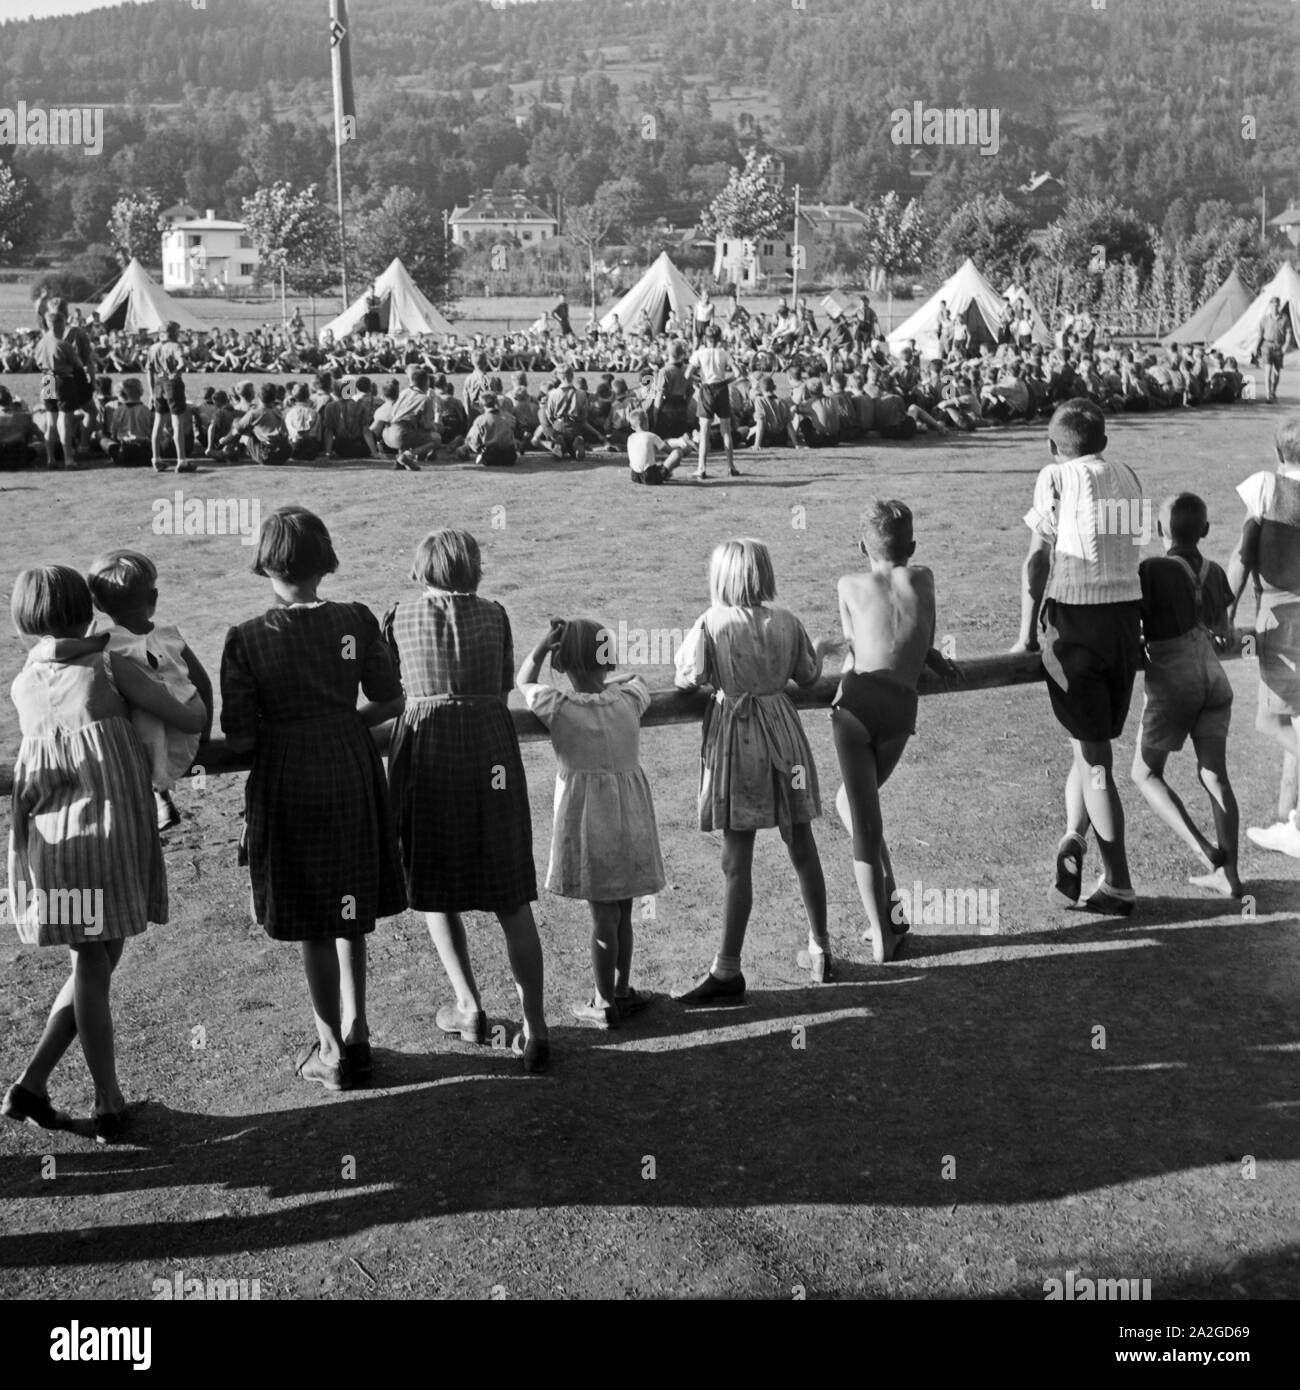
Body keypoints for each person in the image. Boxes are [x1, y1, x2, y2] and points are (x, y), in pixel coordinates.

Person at [4, 566, 204, 1142]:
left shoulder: (24, 683)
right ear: (86, 606)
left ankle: (32, 1085)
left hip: (52, 844)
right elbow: (187, 716)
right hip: (107, 835)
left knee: (96, 961)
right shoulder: (108, 666)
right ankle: (107, 1101)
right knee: (94, 964)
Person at [221, 508, 406, 1092]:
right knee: (350, 905)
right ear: (324, 559)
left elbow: (242, 734)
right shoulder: (354, 619)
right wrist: (342, 723)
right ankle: (357, 1034)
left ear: (268, 563)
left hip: (287, 773)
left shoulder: (248, 637)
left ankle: (329, 1050)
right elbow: (389, 699)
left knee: (312, 920)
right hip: (349, 763)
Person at [384, 528, 550, 1073]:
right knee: (509, 894)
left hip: (427, 747)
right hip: (489, 744)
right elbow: (502, 685)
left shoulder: (397, 617)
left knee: (433, 885)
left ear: (422, 570)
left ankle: (469, 1005)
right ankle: (536, 1026)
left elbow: (391, 690)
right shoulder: (496, 614)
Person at [673, 538, 838, 1000]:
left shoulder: (712, 623)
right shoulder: (786, 622)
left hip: (737, 739)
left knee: (736, 858)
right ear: (763, 574)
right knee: (801, 841)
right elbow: (807, 676)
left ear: (721, 577)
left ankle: (728, 968)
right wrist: (821, 648)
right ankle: (821, 947)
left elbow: (686, 675)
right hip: (784, 733)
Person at [1013, 399, 1144, 915]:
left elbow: (1036, 559)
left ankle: (1119, 884)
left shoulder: (1055, 477)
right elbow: (1135, 544)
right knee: (1087, 749)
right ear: (1104, 442)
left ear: (1052, 447)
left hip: (1075, 625)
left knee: (1096, 766)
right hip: (1124, 624)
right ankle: (1074, 835)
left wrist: (1025, 635)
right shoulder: (1129, 475)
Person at [517, 618, 666, 1027]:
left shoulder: (558, 707)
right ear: (609, 658)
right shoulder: (628, 700)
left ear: (563, 664)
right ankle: (621, 989)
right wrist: (608, 674)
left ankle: (603, 1002)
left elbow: (522, 680)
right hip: (631, 818)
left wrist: (544, 646)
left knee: (603, 917)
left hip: (591, 823)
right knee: (623, 910)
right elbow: (637, 677)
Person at [831, 501, 960, 964]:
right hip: (901, 709)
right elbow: (923, 639)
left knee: (864, 826)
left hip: (856, 705)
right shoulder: (923, 578)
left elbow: (851, 643)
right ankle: (894, 910)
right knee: (851, 805)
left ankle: (882, 932)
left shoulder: (849, 584)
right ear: (912, 546)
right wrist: (935, 660)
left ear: (862, 546)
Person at [1129, 494, 1240, 896]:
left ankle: (1204, 849)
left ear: (1159, 531)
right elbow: (1224, 630)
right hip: (1214, 677)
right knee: (1214, 775)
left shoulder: (1152, 570)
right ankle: (1231, 876)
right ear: (1206, 531)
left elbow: (1134, 623)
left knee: (1144, 772)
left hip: (1174, 679)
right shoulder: (1215, 573)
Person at [88, 550, 212, 833]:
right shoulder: (170, 635)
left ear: (96, 603)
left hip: (144, 741)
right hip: (185, 732)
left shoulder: (104, 643)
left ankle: (159, 795)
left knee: (136, 708)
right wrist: (202, 738)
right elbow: (202, 682)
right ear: (153, 599)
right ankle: (160, 794)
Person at [1229, 416, 1300, 857]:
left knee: (1270, 720)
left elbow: (1243, 555)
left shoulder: (1265, 486)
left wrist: (1222, 614)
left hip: (1282, 615)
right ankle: (1288, 821)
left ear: (1279, 453)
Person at [32, 298, 93, 470]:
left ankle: (50, 459)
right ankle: (68, 459)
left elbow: (36, 363)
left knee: (51, 420)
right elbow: (78, 364)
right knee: (65, 420)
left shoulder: (41, 343)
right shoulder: (63, 344)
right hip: (63, 380)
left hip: (47, 379)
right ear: (61, 323)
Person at [686, 323, 741, 480]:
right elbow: (738, 373)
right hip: (721, 388)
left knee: (704, 432)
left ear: (705, 338)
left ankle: (701, 468)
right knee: (726, 430)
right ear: (719, 338)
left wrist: (699, 379)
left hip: (707, 389)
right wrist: (726, 381)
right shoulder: (723, 353)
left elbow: (687, 374)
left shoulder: (700, 353)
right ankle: (731, 466)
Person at [146, 320, 195, 474]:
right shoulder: (175, 346)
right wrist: (176, 371)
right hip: (172, 384)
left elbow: (149, 371)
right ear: (173, 332)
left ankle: (156, 458)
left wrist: (151, 393)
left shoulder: (153, 348)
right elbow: (181, 362)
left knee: (158, 422)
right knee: (177, 423)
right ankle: (182, 460)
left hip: (158, 385)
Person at [220, 381, 292, 465]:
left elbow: (236, 431)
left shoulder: (255, 413)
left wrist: (222, 441)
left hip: (266, 456)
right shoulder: (277, 411)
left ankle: (228, 452)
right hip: (283, 454)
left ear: (258, 397)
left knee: (240, 427)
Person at [626, 407, 685, 484]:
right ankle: (665, 473)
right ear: (646, 423)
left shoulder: (630, 438)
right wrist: (681, 451)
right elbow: (668, 451)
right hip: (650, 476)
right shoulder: (651, 436)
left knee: (658, 461)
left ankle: (665, 473)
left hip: (634, 475)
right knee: (677, 453)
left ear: (632, 427)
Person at [1252, 296, 1293, 405]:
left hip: (1278, 346)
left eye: (1276, 305)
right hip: (1266, 345)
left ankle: (1273, 390)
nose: (1274, 308)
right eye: (1272, 305)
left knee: (1276, 372)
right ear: (1269, 306)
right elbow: (1260, 335)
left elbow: (1289, 333)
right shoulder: (1264, 319)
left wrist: (1285, 346)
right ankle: (1268, 394)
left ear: (1279, 306)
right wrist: (1256, 347)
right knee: (1268, 370)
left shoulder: (1284, 319)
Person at [462, 392, 517, 466]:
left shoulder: (481, 419)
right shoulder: (509, 417)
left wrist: (473, 447)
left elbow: (474, 442)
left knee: (466, 443)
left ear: (482, 405)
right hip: (510, 457)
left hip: (491, 457)